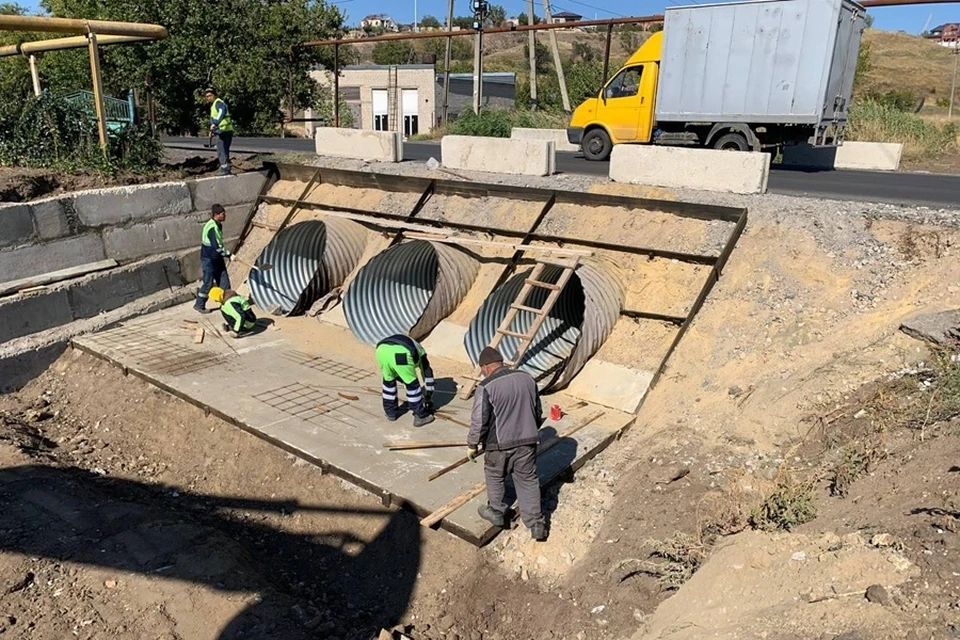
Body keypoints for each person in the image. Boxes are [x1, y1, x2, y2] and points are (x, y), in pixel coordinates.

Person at [467, 346, 547, 541]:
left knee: (495, 475)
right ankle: (536, 524)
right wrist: (532, 430)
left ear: (485, 367)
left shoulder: (486, 386)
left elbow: (479, 420)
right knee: (527, 480)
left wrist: (472, 444)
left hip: (499, 445)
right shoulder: (527, 378)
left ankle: (496, 510)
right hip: (527, 442)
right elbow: (537, 410)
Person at [375, 335, 436, 428]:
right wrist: (429, 394)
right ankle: (420, 416)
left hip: (381, 350)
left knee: (388, 382)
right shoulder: (421, 354)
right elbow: (427, 373)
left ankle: (390, 413)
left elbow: (398, 374)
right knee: (413, 386)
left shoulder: (413, 344)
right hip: (401, 354)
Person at [194, 204, 233, 314]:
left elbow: (219, 245)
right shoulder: (212, 227)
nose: (225, 216)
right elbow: (216, 246)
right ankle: (199, 304)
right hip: (209, 259)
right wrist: (229, 255)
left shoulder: (218, 225)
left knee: (224, 281)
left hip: (217, 258)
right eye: (222, 214)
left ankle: (227, 303)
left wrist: (224, 254)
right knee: (208, 283)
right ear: (216, 215)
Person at [204, 88, 234, 176]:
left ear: (215, 95)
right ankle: (226, 167)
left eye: (210, 95)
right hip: (224, 130)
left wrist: (215, 123)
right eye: (207, 96)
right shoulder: (214, 105)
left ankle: (224, 169)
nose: (208, 98)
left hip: (223, 130)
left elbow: (221, 113)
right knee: (224, 149)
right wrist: (213, 130)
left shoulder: (218, 103)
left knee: (221, 149)